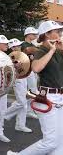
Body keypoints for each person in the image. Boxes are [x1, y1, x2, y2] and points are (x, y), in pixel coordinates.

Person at [7, 20, 63, 155]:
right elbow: (36, 68)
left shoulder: (58, 52)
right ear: (47, 35)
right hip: (48, 97)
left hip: (59, 97)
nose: (60, 34)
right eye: (57, 32)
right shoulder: (42, 51)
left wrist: (59, 49)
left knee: (60, 141)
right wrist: (52, 49)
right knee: (50, 141)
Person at [3, 38, 33, 133]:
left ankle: (20, 125)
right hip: (17, 81)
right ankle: (5, 114)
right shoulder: (10, 57)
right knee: (22, 103)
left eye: (19, 45)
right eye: (17, 46)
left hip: (23, 79)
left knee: (22, 103)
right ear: (12, 48)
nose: (19, 47)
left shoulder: (21, 56)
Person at [22, 27, 40, 119]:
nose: (35, 36)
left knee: (30, 91)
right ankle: (34, 110)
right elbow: (28, 50)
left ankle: (28, 110)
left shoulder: (33, 44)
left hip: (32, 69)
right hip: (27, 71)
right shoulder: (24, 44)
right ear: (28, 35)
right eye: (33, 34)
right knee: (33, 91)